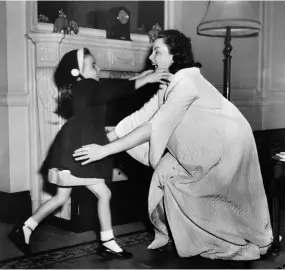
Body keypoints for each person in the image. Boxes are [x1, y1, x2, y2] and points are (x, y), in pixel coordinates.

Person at [73, 30, 273, 260]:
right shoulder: (170, 82)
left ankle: (231, 241)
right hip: (206, 144)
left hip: (228, 144)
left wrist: (103, 151)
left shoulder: (187, 80)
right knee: (165, 173)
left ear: (175, 55)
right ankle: (175, 235)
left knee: (221, 200)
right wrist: (102, 141)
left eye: (157, 51)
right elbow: (141, 117)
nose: (151, 57)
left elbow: (153, 127)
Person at [8, 47, 171, 260]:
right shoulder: (87, 86)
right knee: (103, 194)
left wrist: (143, 76)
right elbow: (114, 91)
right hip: (79, 146)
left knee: (60, 198)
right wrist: (147, 80)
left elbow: (113, 87)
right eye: (93, 65)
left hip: (73, 143)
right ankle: (108, 242)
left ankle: (26, 228)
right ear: (78, 72)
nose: (99, 67)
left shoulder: (83, 86)